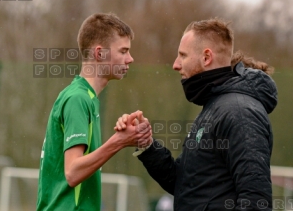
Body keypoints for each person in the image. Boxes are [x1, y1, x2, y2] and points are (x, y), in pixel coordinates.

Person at [115, 18, 277, 210]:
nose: (175, 64)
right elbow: (186, 185)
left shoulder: (240, 112)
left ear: (206, 57)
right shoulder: (215, 106)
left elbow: (256, 200)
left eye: (182, 55)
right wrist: (146, 144)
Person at [36, 13, 152, 211]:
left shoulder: (86, 98)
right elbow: (72, 172)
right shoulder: (78, 99)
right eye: (123, 51)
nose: (130, 59)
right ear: (100, 53)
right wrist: (119, 141)